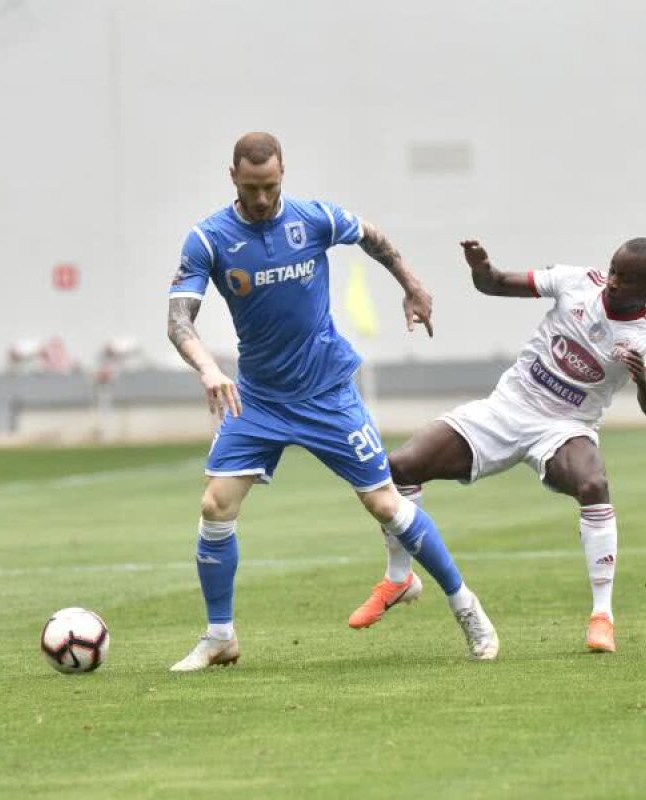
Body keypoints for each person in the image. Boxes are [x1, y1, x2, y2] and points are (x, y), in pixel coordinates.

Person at [166, 132, 499, 672]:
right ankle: (220, 636)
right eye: (250, 188)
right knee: (214, 507)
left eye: (270, 186)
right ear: (232, 178)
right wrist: (208, 369)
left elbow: (370, 235)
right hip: (259, 399)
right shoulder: (208, 240)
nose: (261, 199)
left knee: (386, 505)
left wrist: (411, 284)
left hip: (326, 392)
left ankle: (467, 607)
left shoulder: (312, 218)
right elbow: (179, 320)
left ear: (283, 175)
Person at [348, 238, 646, 654]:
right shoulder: (577, 282)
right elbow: (495, 284)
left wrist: (643, 379)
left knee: (593, 485)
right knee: (401, 465)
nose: (611, 281)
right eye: (613, 269)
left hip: (564, 426)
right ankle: (400, 578)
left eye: (626, 279)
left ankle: (602, 617)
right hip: (506, 408)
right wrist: (481, 268)